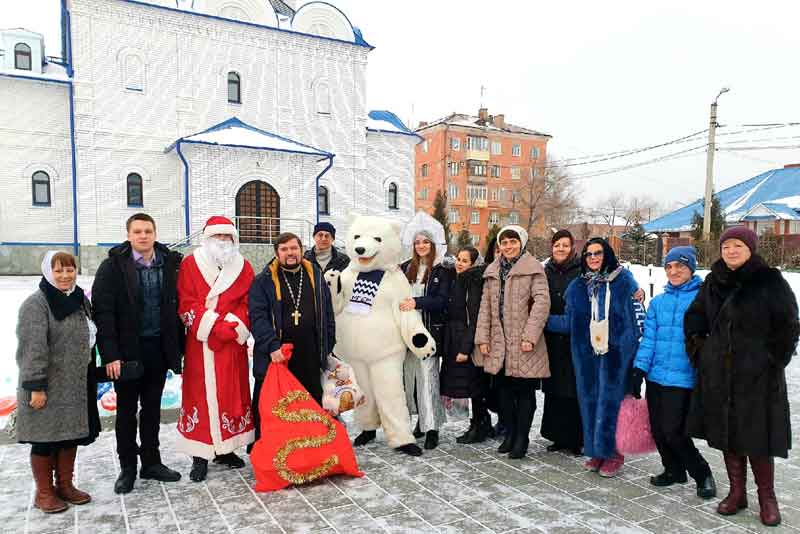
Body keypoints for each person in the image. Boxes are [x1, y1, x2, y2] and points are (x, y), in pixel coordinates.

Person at [684, 227, 799, 526]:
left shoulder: (769, 281)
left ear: (750, 248)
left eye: (738, 245)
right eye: (726, 246)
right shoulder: (713, 282)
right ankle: (737, 493)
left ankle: (767, 498)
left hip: (758, 378)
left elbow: (788, 325)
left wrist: (773, 361)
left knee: (758, 439)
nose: (731, 251)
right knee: (728, 436)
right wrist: (700, 351)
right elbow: (694, 317)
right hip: (719, 376)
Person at [92, 213, 184, 494]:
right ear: (129, 234)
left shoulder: (170, 263)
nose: (143, 236)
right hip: (126, 352)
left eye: (148, 231)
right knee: (126, 412)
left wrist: (176, 349)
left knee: (152, 409)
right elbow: (103, 313)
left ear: (155, 233)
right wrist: (110, 354)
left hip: (157, 347)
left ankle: (152, 462)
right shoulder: (113, 267)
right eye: (137, 231)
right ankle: (128, 467)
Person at [547, 237, 640, 477]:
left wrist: (627, 352)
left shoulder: (623, 281)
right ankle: (596, 451)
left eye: (598, 253)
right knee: (589, 403)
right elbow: (569, 322)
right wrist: (539, 321)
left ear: (607, 254)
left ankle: (614, 454)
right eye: (589, 254)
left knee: (611, 404)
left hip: (615, 356)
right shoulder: (578, 287)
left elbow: (636, 322)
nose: (593, 258)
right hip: (586, 356)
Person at [15, 251, 101, 513]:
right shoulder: (37, 304)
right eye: (58, 270)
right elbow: (33, 349)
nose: (65, 275)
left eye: (69, 269)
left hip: (74, 382)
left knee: (68, 435)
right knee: (44, 439)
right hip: (47, 384)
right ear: (47, 272)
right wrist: (35, 387)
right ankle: (44, 493)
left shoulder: (77, 300)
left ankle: (65, 485)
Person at [630, 246, 716, 499]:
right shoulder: (658, 302)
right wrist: (639, 369)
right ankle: (673, 470)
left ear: (691, 268)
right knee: (657, 429)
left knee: (674, 431)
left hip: (683, 377)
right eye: (669, 267)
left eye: (679, 266)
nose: (673, 271)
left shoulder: (704, 300)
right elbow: (649, 339)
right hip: (655, 376)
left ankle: (702, 474)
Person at [177, 216, 255, 482]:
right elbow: (186, 301)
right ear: (207, 239)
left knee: (231, 393)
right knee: (201, 394)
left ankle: (226, 449)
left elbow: (249, 303)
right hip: (202, 344)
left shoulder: (243, 267)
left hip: (231, 343)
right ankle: (201, 455)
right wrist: (213, 326)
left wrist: (233, 327)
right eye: (217, 237)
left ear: (234, 240)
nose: (223, 242)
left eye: (227, 237)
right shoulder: (190, 264)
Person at [249, 232, 336, 450]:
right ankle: (267, 447)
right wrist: (271, 346)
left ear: (301, 249)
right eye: (284, 249)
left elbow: (328, 312)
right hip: (277, 355)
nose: (290, 253)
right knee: (273, 405)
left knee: (310, 403)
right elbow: (258, 317)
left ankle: (313, 447)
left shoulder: (314, 274)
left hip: (310, 352)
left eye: (294, 248)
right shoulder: (264, 281)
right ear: (277, 253)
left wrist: (329, 343)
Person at [475, 225, 550, 459]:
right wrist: (482, 338)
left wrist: (530, 336)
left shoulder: (533, 269)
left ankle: (522, 437)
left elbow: (542, 303)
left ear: (522, 243)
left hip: (523, 341)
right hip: (499, 341)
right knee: (503, 392)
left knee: (524, 393)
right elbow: (485, 307)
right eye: (504, 242)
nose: (508, 246)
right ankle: (510, 433)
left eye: (513, 241)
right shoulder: (492, 271)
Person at [400, 230, 449, 449]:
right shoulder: (405, 268)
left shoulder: (441, 270)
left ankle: (432, 428)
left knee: (428, 379)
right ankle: (420, 421)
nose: (421, 246)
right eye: (417, 242)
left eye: (425, 242)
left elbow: (441, 301)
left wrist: (417, 303)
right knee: (410, 379)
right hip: (405, 331)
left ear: (432, 244)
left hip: (427, 333)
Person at [440, 246, 493, 444]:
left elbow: (474, 318)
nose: (459, 263)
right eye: (458, 259)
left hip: (467, 340)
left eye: (464, 260)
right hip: (454, 338)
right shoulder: (458, 280)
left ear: (473, 264)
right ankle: (478, 423)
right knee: (466, 386)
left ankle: (480, 425)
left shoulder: (473, 283)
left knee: (474, 386)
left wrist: (465, 348)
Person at [541, 230, 583, 455]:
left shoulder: (581, 270)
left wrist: (638, 291)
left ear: (572, 247)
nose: (560, 249)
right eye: (557, 245)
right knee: (554, 389)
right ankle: (556, 436)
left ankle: (575, 438)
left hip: (573, 339)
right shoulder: (545, 270)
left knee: (572, 390)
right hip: (551, 341)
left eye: (565, 245)